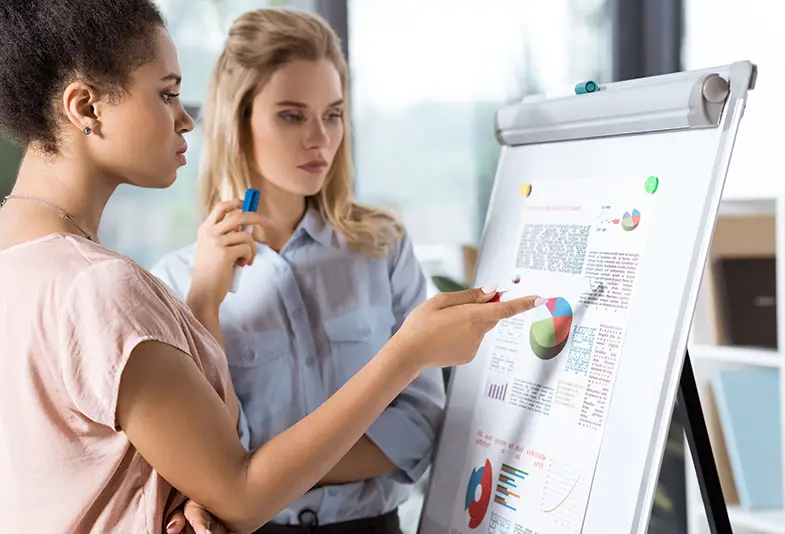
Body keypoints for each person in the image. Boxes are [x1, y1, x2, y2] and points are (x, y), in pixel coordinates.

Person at [0, 2, 539, 534]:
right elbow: (236, 486)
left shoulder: (30, 264)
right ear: (86, 109)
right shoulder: (115, 285)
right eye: (166, 94)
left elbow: (201, 475)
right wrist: (405, 352)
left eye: (333, 115)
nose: (186, 118)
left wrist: (234, 480)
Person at [150, 8, 445, 533]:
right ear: (239, 120)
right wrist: (205, 303)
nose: (320, 139)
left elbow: (420, 423)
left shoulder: (382, 248)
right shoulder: (174, 282)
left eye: (332, 114)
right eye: (292, 115)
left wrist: (259, 478)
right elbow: (202, 455)